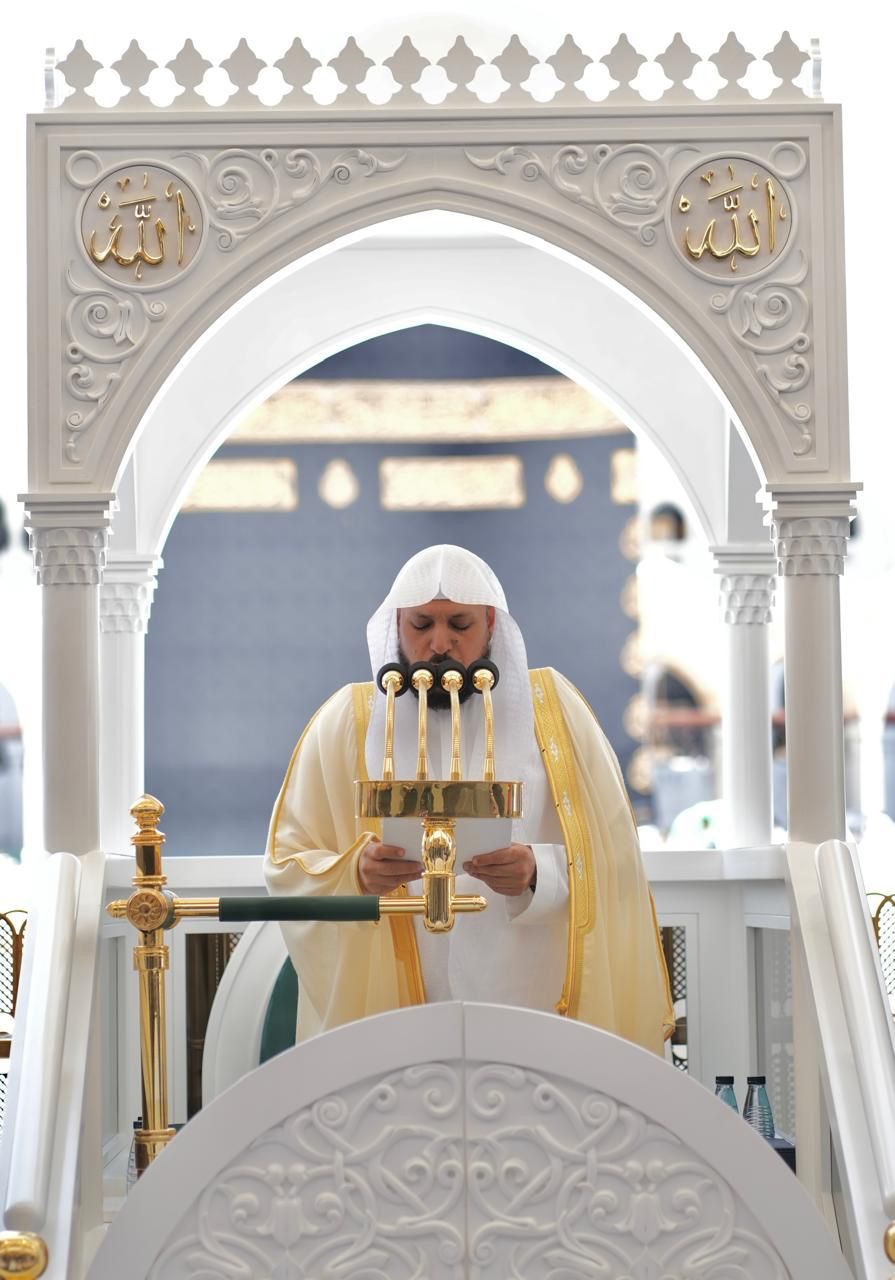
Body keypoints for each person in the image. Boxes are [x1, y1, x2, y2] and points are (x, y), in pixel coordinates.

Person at [264, 545, 674, 1053]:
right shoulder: (346, 722)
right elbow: (288, 865)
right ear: (396, 625)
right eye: (421, 625)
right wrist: (355, 875)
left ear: (491, 625)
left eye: (460, 624)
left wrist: (537, 875)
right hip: (396, 1022)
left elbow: (616, 866)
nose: (440, 644)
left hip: (532, 1010)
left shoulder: (555, 713)